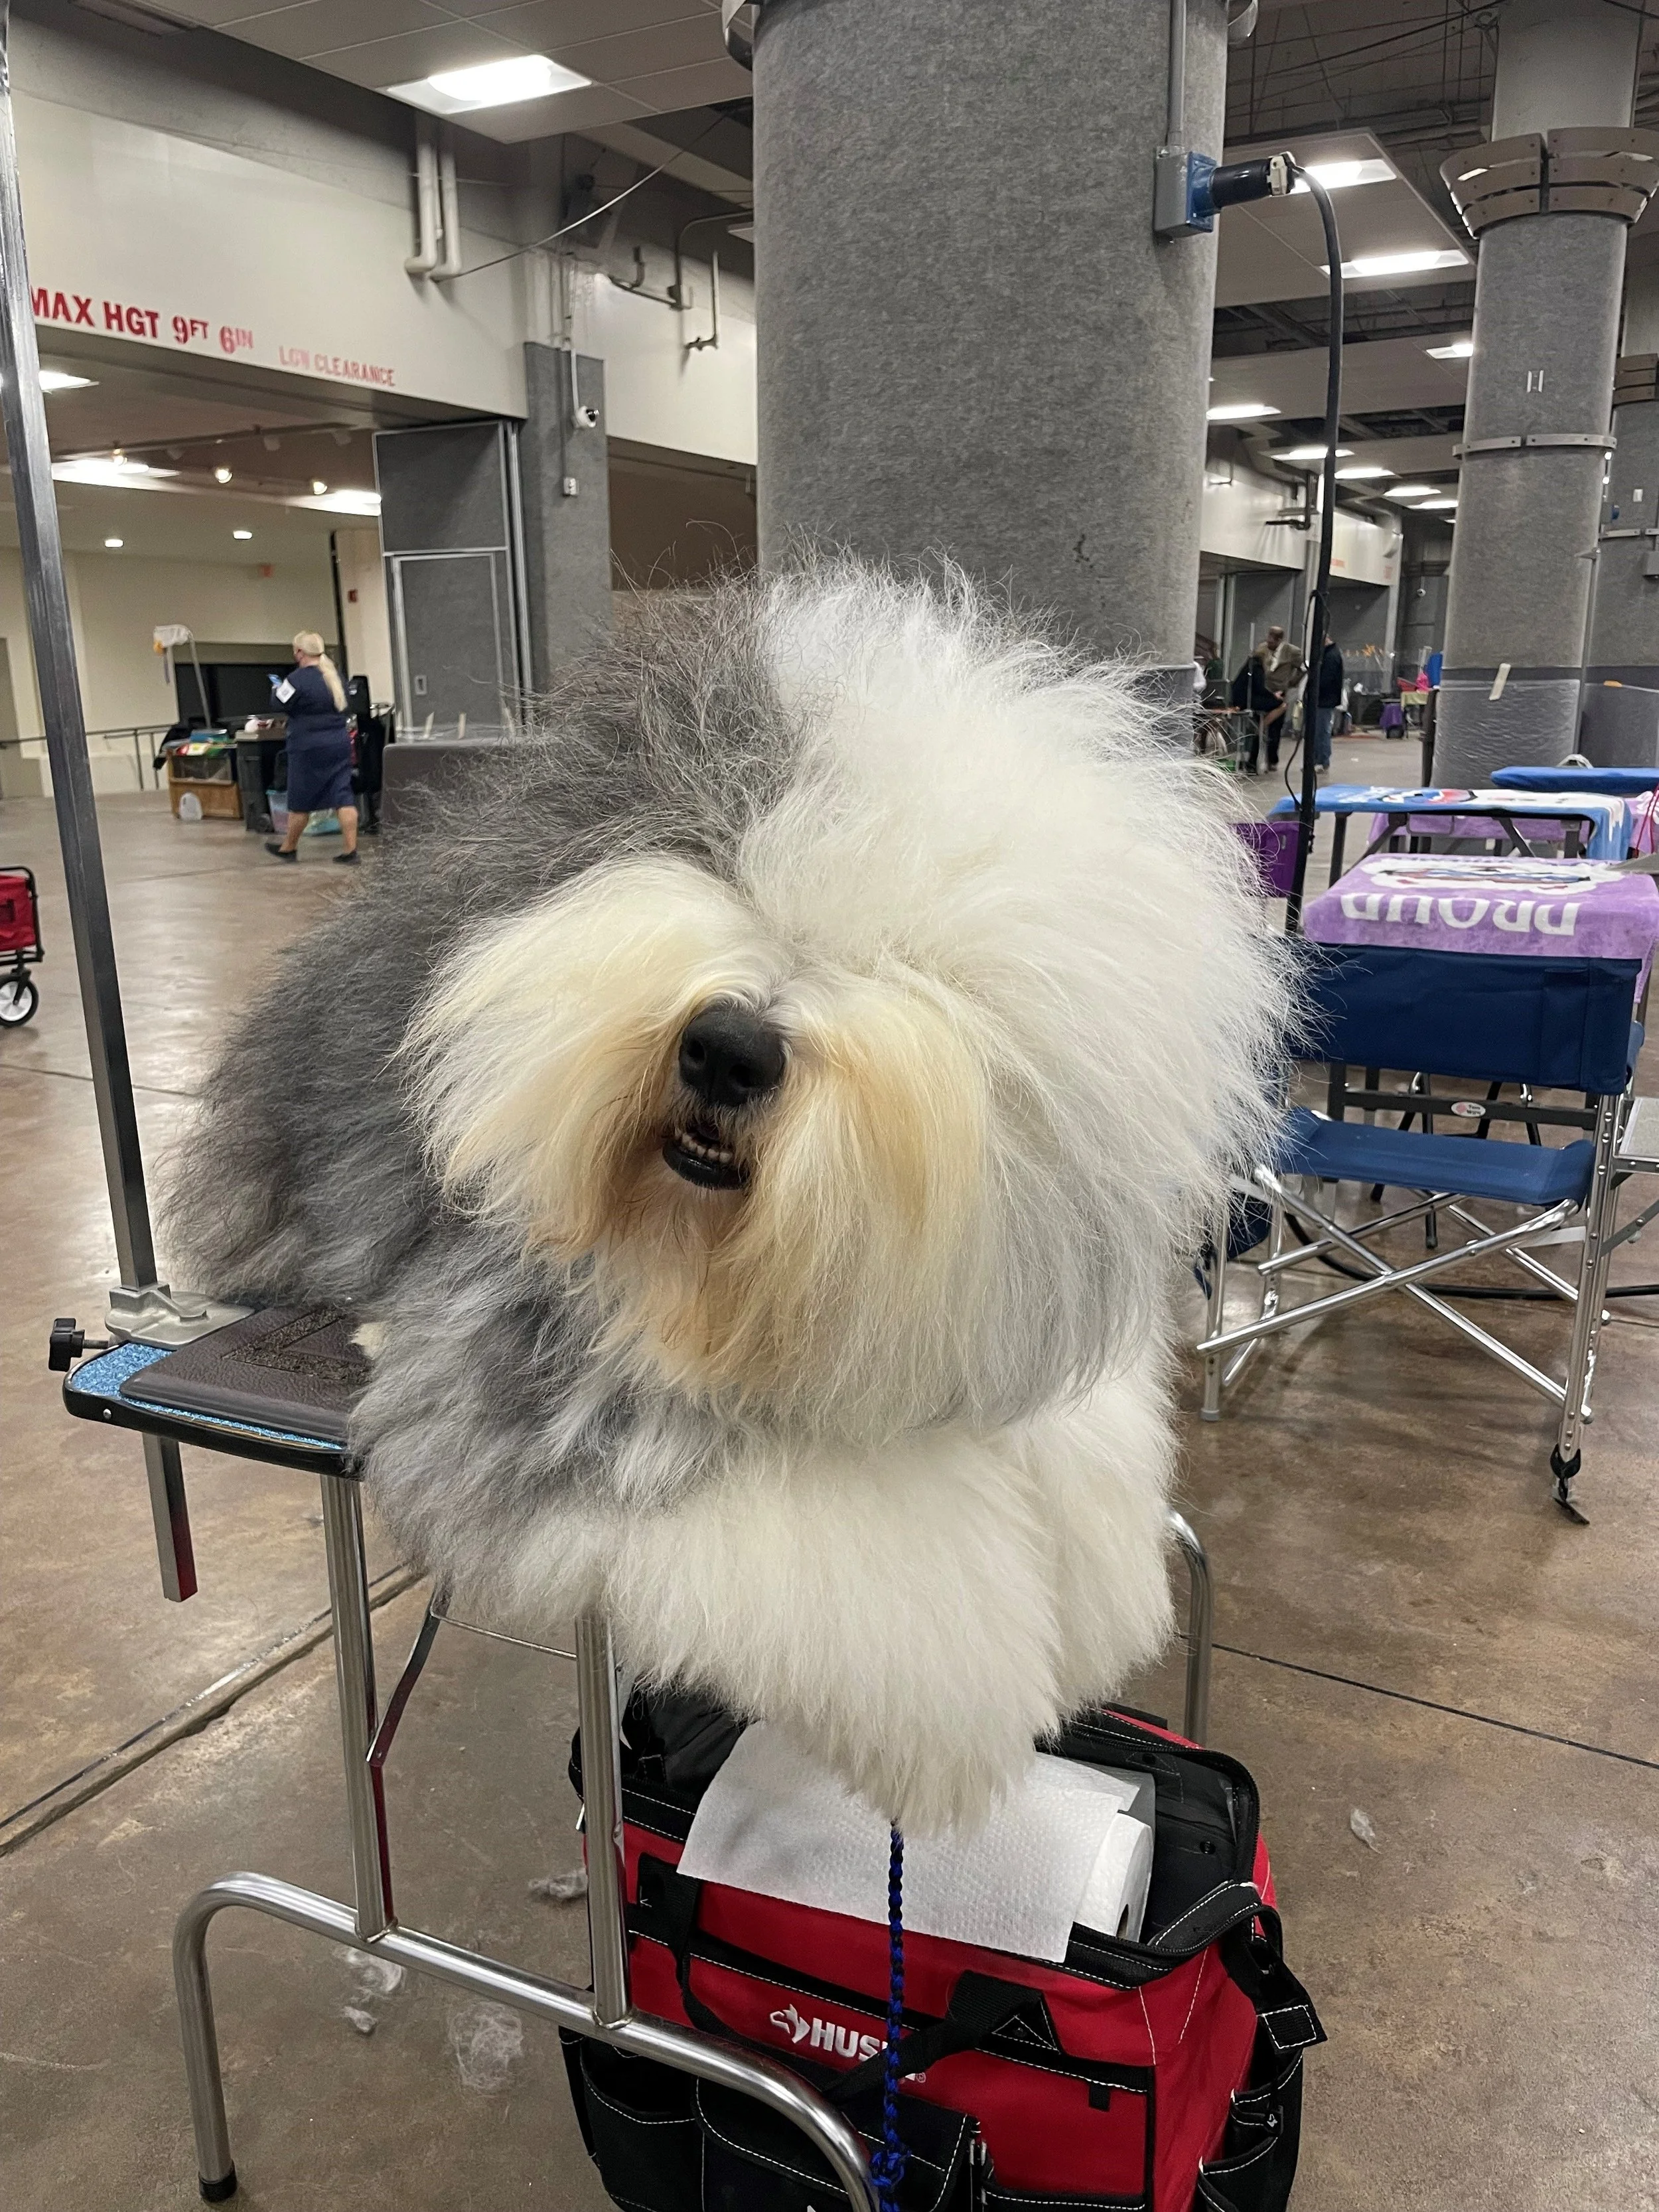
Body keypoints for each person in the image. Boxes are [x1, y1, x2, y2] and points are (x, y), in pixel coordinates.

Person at [266, 631, 358, 864]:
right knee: (343, 796)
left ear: (299, 653)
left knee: (300, 800)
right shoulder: (335, 676)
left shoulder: (296, 679)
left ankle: (289, 848)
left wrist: (276, 689)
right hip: (339, 743)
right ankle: (351, 850)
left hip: (308, 747)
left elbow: (278, 703)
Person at [1311, 638, 1344, 773]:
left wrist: (1313, 688)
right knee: (1318, 731)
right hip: (1322, 699)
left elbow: (1326, 679)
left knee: (1321, 731)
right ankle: (1317, 760)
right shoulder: (1329, 654)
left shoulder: (1331, 656)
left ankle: (1322, 761)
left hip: (1324, 700)